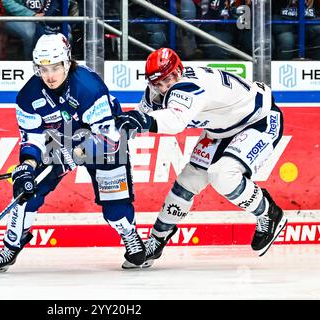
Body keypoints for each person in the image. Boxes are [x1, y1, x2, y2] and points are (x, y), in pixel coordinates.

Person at [0, 33, 146, 273]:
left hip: (104, 141)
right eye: (43, 69)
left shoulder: (88, 87)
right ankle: (10, 249)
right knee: (25, 191)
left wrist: (75, 153)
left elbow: (109, 138)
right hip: (60, 140)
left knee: (115, 206)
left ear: (67, 62)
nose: (50, 75)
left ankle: (129, 235)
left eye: (55, 67)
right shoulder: (28, 96)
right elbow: (32, 138)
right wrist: (26, 166)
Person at [116, 48, 288, 269]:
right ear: (150, 82)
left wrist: (136, 120)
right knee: (187, 182)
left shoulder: (187, 87)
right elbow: (138, 120)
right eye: (159, 82)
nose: (166, 85)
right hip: (221, 130)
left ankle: (269, 213)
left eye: (170, 77)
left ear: (179, 71)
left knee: (223, 175)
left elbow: (174, 121)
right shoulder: (154, 92)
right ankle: (157, 240)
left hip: (259, 121)